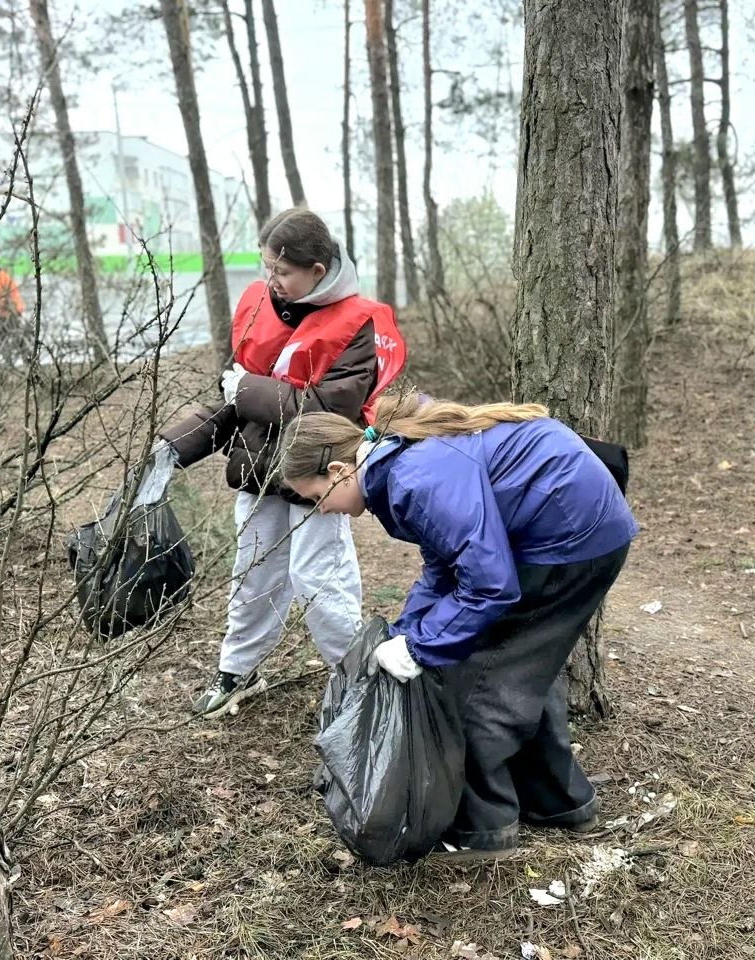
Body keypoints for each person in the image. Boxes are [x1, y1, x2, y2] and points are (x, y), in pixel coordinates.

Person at [276, 394, 637, 859]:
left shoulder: (414, 476)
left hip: (566, 540)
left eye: (315, 497)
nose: (321, 510)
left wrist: (421, 649)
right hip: (576, 531)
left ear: (340, 473)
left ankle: (486, 830)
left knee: (474, 682)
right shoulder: (399, 462)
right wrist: (409, 628)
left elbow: (489, 584)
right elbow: (445, 561)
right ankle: (557, 802)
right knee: (523, 668)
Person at [159, 209, 406, 718]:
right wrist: (172, 447)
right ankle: (237, 670)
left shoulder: (357, 323)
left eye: (283, 272)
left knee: (321, 579)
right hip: (256, 469)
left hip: (320, 475)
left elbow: (326, 409)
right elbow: (230, 400)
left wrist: (248, 391)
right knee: (251, 574)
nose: (271, 280)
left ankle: (358, 680)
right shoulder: (259, 306)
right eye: (266, 267)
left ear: (317, 271)